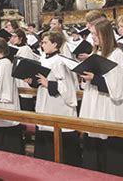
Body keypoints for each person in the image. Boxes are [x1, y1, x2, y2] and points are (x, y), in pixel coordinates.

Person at [79, 19, 123, 180]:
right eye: (91, 34)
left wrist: (95, 78)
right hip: (96, 103)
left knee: (112, 149)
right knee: (96, 144)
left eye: (95, 34)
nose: (92, 37)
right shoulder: (97, 53)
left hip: (112, 107)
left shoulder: (117, 55)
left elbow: (119, 87)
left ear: (105, 35)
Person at [32, 32, 81, 165]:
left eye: (45, 42)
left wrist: (49, 83)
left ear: (55, 45)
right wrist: (31, 80)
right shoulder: (43, 59)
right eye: (42, 42)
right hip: (44, 102)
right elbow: (39, 80)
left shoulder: (61, 61)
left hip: (58, 106)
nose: (42, 45)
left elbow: (68, 87)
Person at [0, 38, 23, 154]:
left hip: (2, 104)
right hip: (8, 103)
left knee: (1, 140)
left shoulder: (0, 64)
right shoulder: (7, 62)